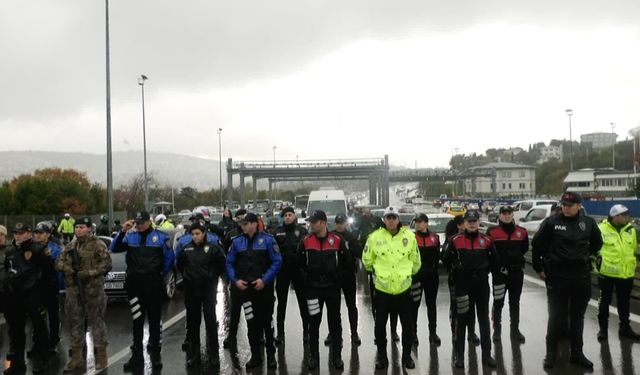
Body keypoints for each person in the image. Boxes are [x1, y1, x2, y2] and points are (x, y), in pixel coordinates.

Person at [532, 192, 603, 369]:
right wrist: (539, 268)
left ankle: (577, 353)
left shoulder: (588, 223)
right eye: (563, 204)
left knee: (578, 318)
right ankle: (551, 354)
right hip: (558, 277)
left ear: (579, 206)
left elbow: (597, 244)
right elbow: (537, 245)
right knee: (556, 317)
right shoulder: (551, 222)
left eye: (570, 205)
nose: (565, 207)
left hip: (580, 277)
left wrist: (581, 257)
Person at [110, 210, 175, 371]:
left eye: (141, 223)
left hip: (152, 284)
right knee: (137, 321)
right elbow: (114, 248)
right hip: (134, 285)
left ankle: (155, 355)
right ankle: (137, 355)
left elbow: (169, 258)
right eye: (136, 223)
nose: (138, 225)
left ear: (148, 222)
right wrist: (123, 230)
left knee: (154, 320)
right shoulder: (130, 236)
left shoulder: (160, 237)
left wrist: (159, 274)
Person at [362, 206, 421, 370]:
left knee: (407, 326)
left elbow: (416, 262)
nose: (391, 220)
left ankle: (407, 357)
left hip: (403, 290)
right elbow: (367, 260)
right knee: (380, 326)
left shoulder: (409, 237)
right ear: (384, 219)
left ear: (398, 219)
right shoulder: (374, 238)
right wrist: (378, 273)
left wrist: (407, 275)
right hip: (382, 291)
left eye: (394, 217)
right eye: (388, 217)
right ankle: (382, 357)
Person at [226, 213, 281, 369]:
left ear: (254, 224)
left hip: (264, 290)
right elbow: (229, 263)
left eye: (245, 224)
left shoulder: (268, 240)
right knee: (251, 324)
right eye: (241, 224)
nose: (242, 227)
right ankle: (255, 355)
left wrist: (264, 280)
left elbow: (277, 261)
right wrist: (236, 280)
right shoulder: (237, 242)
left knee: (267, 324)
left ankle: (271, 356)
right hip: (247, 291)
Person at [57, 217, 112, 371]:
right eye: (77, 227)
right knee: (75, 323)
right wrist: (67, 268)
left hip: (92, 290)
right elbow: (58, 262)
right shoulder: (70, 245)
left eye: (82, 227)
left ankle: (101, 357)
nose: (78, 230)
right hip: (74, 290)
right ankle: (76, 358)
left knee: (97, 323)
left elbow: (107, 264)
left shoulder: (97, 244)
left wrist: (89, 272)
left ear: (89, 229)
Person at [443, 210, 497, 369]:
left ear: (478, 222)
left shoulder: (487, 240)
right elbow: (445, 258)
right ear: (464, 223)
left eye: (474, 221)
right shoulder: (455, 240)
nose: (472, 224)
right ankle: (459, 357)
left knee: (484, 321)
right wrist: (456, 268)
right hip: (463, 286)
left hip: (481, 286)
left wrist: (485, 271)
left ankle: (487, 355)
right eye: (469, 221)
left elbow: (495, 261)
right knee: (461, 322)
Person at [298, 210, 349, 370]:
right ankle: (313, 357)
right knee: (313, 324)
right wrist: (307, 280)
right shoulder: (305, 241)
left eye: (314, 222)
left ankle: (337, 357)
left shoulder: (337, 240)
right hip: (313, 290)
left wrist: (338, 279)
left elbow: (346, 263)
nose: (311, 224)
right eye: (310, 222)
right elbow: (299, 264)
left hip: (332, 289)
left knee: (335, 323)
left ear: (323, 223)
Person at [177, 222, 226, 367]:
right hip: (192, 291)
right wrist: (188, 278)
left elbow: (221, 265)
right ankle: (195, 355)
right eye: (192, 234)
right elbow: (181, 265)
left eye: (197, 234)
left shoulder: (213, 248)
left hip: (208, 291)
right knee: (193, 324)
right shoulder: (187, 249)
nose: (195, 236)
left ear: (204, 233)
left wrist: (211, 277)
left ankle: (214, 355)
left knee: (210, 323)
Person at [4, 223, 52, 374]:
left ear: (29, 233)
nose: (17, 235)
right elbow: (9, 271)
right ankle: (17, 363)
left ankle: (42, 361)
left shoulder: (38, 249)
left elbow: (49, 272)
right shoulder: (10, 250)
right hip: (16, 296)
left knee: (39, 330)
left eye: (21, 232)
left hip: (33, 294)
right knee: (16, 331)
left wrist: (45, 295)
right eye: (16, 233)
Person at [596, 204, 640, 341]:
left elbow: (632, 248)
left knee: (624, 303)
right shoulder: (600, 229)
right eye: (625, 215)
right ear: (616, 216)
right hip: (607, 273)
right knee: (604, 302)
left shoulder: (631, 230)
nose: (628, 217)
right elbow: (593, 248)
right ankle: (603, 330)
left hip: (625, 274)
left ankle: (624, 328)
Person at [486, 206, 529, 343]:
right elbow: (488, 252)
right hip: (500, 274)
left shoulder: (522, 232)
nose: (506, 216)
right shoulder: (492, 232)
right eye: (503, 213)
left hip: (516, 273)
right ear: (499, 215)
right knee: (498, 302)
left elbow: (524, 248)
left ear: (512, 214)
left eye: (508, 213)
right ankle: (497, 331)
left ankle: (515, 330)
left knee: (515, 303)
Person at [272, 206, 309, 345]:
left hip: (298, 272)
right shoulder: (277, 232)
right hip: (282, 272)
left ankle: (306, 331)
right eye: (285, 215)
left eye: (289, 214)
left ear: (294, 216)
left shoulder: (302, 231)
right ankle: (280, 333)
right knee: (281, 304)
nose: (287, 217)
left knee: (303, 303)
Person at [444, 215, 479, 346]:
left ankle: (471, 332)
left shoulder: (472, 237)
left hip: (470, 279)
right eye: (466, 222)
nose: (469, 224)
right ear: (460, 225)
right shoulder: (452, 239)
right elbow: (445, 257)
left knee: (471, 305)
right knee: (456, 306)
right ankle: (455, 331)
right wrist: (455, 267)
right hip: (455, 279)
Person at [328, 213, 363, 346]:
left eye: (341, 223)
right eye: (337, 223)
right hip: (334, 275)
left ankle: (354, 333)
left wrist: (348, 248)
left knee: (351, 306)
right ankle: (333, 333)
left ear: (345, 224)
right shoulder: (330, 236)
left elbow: (360, 252)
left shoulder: (351, 237)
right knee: (333, 307)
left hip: (348, 274)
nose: (339, 225)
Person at [33, 222, 64, 351]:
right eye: (36, 233)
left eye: (41, 233)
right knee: (36, 315)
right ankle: (38, 340)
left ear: (48, 234)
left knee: (53, 314)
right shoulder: (32, 247)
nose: (38, 236)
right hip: (35, 285)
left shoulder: (54, 247)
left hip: (50, 284)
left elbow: (58, 266)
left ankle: (54, 338)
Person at [413, 213, 442, 346]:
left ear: (426, 223)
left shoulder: (435, 238)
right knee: (414, 305)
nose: (418, 224)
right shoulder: (411, 238)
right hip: (416, 276)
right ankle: (413, 333)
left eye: (420, 222)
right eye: (416, 222)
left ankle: (433, 333)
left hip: (431, 276)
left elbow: (437, 256)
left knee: (431, 305)